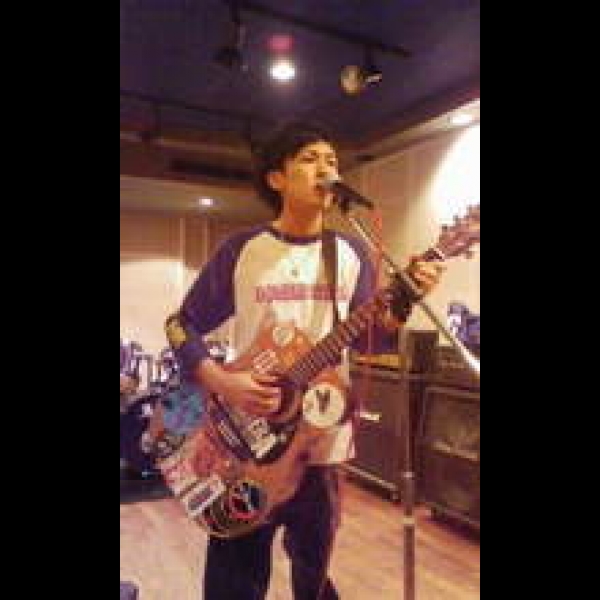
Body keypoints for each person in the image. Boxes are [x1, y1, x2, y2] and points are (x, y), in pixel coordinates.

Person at [164, 121, 444, 600]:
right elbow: (180, 325)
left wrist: (402, 301)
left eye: (332, 161)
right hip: (248, 444)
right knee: (234, 578)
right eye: (310, 159)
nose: (326, 168)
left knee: (313, 573)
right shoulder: (242, 251)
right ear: (277, 178)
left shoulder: (351, 253)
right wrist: (220, 381)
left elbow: (369, 340)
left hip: (322, 445)